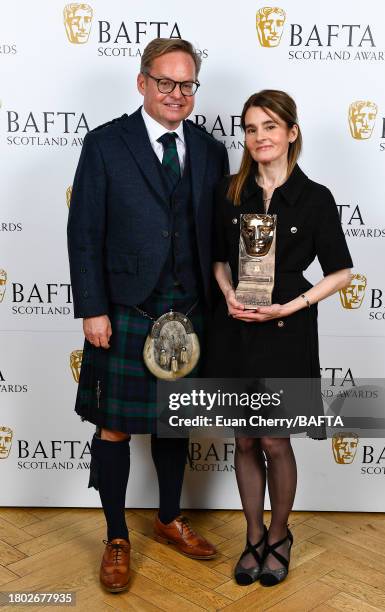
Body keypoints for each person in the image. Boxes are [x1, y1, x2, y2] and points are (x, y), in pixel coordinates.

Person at [67, 37, 229, 593]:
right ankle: (117, 535)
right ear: (142, 83)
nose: (177, 94)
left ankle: (166, 517)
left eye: (187, 85)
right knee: (114, 426)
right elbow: (84, 234)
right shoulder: (106, 144)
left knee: (174, 419)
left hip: (187, 311)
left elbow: (216, 237)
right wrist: (92, 309)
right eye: (166, 83)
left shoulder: (209, 150)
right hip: (124, 309)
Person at [209, 89, 353, 587]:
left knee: (274, 439)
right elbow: (218, 260)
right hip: (235, 329)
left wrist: (291, 304)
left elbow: (342, 272)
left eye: (269, 126)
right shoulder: (229, 191)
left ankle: (280, 535)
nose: (259, 137)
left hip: (287, 329)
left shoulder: (315, 198)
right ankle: (252, 537)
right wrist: (227, 293)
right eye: (250, 129)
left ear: (291, 132)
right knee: (243, 438)